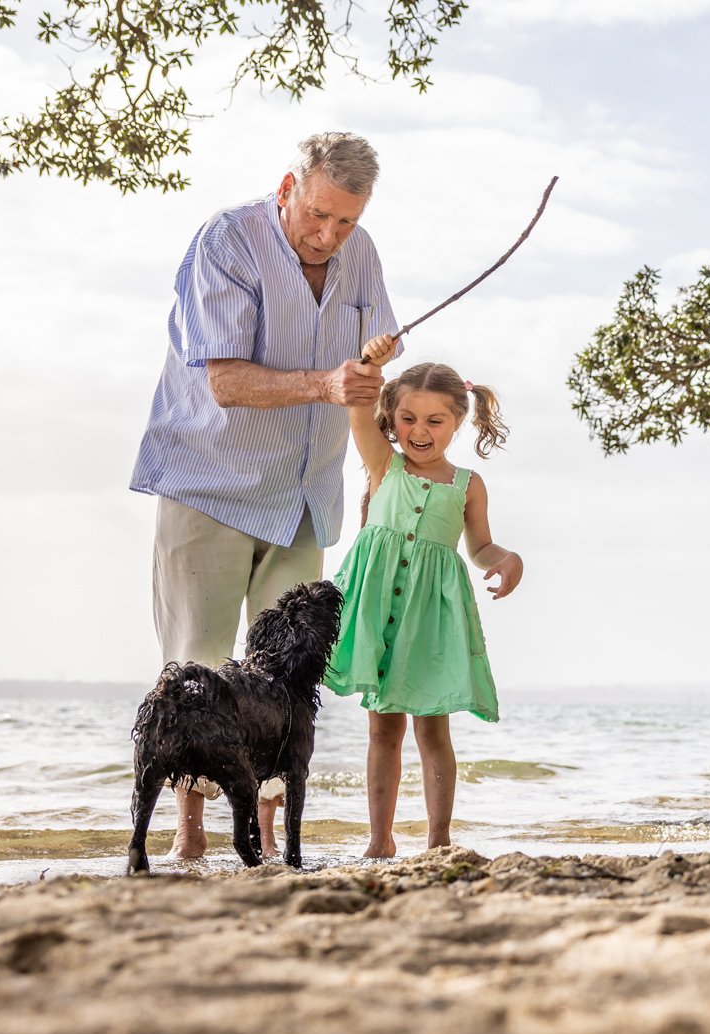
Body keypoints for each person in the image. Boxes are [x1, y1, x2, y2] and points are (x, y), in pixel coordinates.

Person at [130, 132, 401, 860]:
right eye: (317, 214)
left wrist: (380, 372)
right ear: (288, 188)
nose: (329, 234)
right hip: (209, 486)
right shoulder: (228, 241)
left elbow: (371, 351)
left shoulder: (361, 251)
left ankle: (275, 850)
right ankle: (189, 842)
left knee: (286, 683)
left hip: (305, 496)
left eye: (345, 220)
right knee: (196, 671)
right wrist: (325, 382)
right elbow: (225, 380)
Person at [323, 346, 521, 856]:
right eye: (408, 417)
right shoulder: (382, 463)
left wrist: (506, 559)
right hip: (376, 609)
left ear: (458, 420)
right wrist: (370, 364)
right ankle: (379, 841)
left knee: (433, 730)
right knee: (381, 728)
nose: (420, 429)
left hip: (428, 618)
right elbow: (356, 408)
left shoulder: (467, 485)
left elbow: (479, 547)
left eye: (435, 420)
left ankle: (439, 840)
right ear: (392, 417)